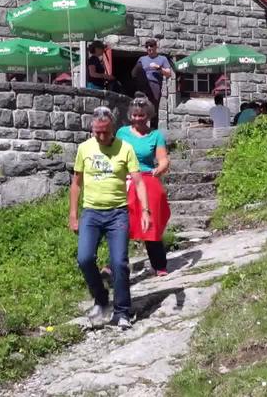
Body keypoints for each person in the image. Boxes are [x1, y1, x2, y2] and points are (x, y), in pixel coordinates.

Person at [70, 106, 151, 329]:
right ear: (92, 129)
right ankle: (101, 297)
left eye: (105, 132)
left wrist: (145, 210)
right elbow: (76, 183)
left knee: (119, 263)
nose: (101, 136)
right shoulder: (84, 149)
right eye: (97, 132)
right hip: (92, 213)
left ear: (113, 128)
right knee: (84, 259)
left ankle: (122, 312)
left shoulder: (125, 149)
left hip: (117, 213)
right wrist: (73, 215)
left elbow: (138, 181)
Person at [114, 93, 172, 277]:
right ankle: (115, 264)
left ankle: (159, 264)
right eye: (135, 115)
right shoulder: (121, 133)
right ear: (130, 116)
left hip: (147, 177)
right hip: (127, 179)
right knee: (122, 223)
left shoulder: (155, 136)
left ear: (148, 116)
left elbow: (163, 160)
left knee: (152, 221)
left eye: (142, 115)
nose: (138, 118)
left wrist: (160, 169)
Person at [132, 38, 172, 129]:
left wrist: (158, 68)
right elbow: (135, 73)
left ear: (155, 47)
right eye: (147, 46)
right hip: (143, 83)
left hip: (155, 85)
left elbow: (169, 73)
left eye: (151, 46)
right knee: (141, 107)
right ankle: (140, 128)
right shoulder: (142, 59)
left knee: (153, 109)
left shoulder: (162, 59)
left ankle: (153, 130)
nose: (149, 48)